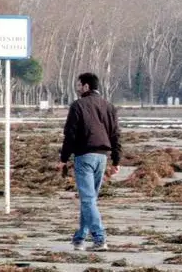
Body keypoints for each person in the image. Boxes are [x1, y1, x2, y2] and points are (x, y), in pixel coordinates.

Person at [57, 72, 122, 251]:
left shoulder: (78, 106)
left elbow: (69, 134)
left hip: (84, 156)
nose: (77, 89)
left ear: (86, 86)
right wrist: (116, 160)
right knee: (90, 199)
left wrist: (63, 159)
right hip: (102, 157)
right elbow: (115, 135)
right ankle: (79, 238)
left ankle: (100, 238)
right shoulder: (109, 106)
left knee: (88, 199)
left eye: (78, 85)